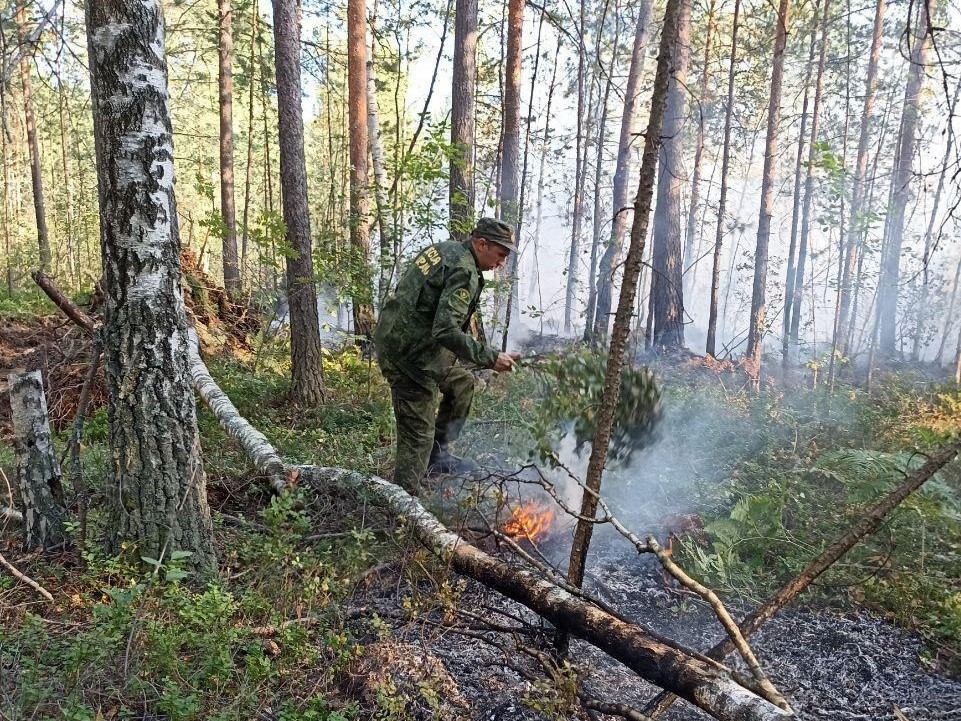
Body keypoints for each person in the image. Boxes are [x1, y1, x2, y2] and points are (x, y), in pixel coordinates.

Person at [374, 218, 521, 494]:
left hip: (412, 343)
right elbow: (445, 329)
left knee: (461, 384)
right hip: (408, 357)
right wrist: (490, 358)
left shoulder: (448, 249)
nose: (501, 263)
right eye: (501, 255)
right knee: (418, 434)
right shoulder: (464, 269)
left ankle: (437, 457)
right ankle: (404, 505)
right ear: (481, 244)